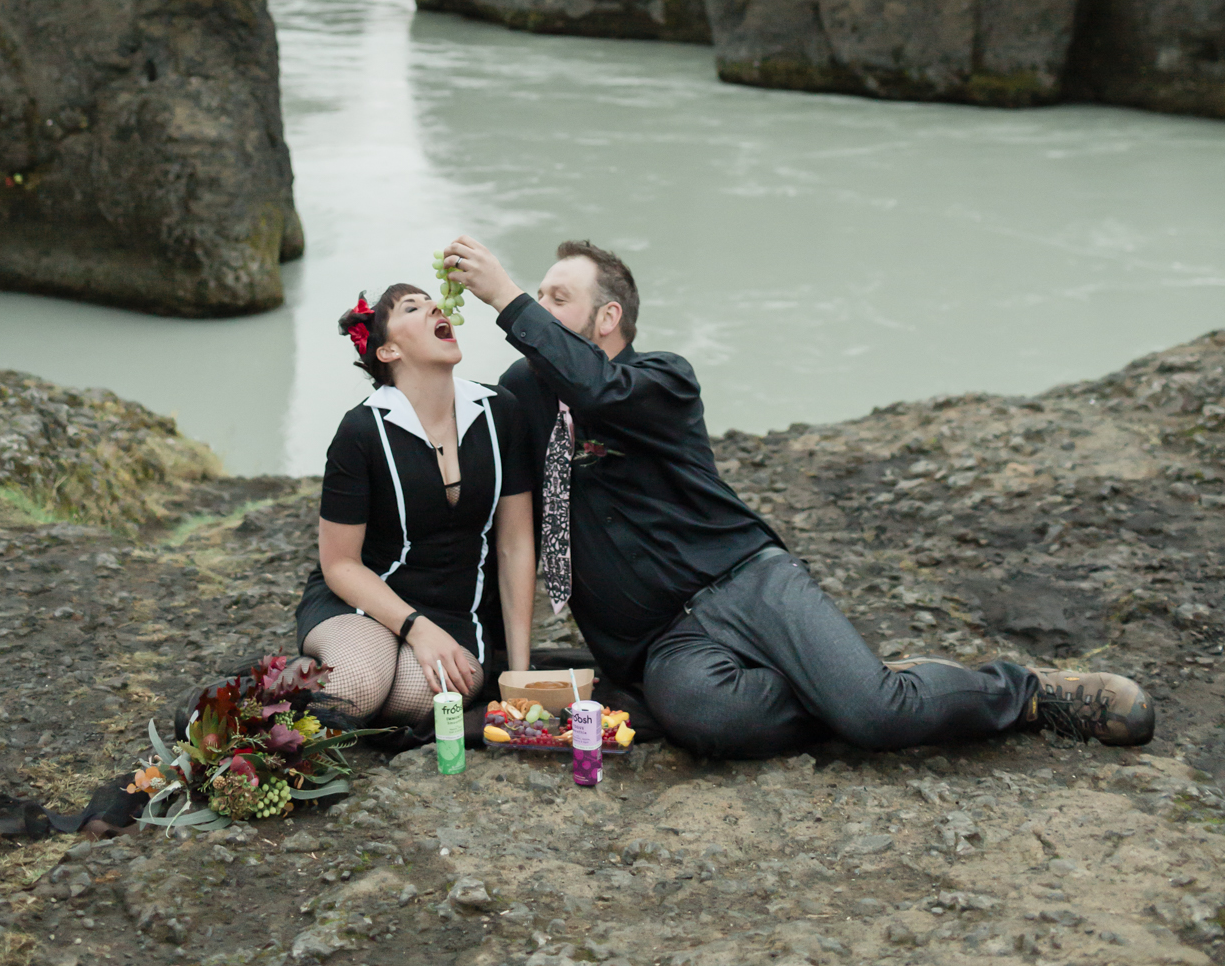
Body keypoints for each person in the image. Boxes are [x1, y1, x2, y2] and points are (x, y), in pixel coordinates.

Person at [442, 233, 1155, 758]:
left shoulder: (661, 380)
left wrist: (503, 295)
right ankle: (848, 686)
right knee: (708, 726)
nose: (535, 306)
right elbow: (506, 515)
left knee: (878, 722)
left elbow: (595, 388)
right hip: (663, 643)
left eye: (554, 297)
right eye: (533, 294)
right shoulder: (522, 394)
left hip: (745, 580)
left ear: (607, 319)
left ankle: (1022, 692)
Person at [294, 283, 536, 727]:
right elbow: (340, 564)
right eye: (413, 306)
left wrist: (519, 673)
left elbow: (515, 546)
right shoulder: (361, 431)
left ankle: (334, 678)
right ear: (387, 351)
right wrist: (416, 629)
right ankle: (315, 678)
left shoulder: (503, 412)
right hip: (363, 600)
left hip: (458, 614)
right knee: (357, 687)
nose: (435, 307)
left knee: (419, 699)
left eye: (433, 301)